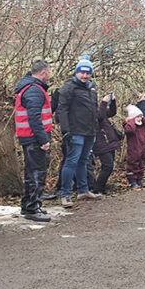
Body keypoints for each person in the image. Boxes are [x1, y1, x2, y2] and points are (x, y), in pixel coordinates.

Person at [57, 57, 103, 207]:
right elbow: (62, 109)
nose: (84, 76)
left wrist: (96, 128)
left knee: (83, 161)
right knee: (71, 161)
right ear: (77, 72)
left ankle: (83, 190)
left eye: (87, 73)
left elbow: (94, 109)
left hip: (90, 131)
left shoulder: (91, 87)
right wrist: (66, 131)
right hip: (75, 131)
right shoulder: (69, 87)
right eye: (82, 72)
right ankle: (65, 194)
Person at [13, 60, 54, 222]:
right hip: (33, 138)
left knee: (32, 172)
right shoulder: (34, 90)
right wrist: (43, 139)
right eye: (49, 72)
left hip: (30, 137)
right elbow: (34, 117)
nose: (49, 75)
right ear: (43, 73)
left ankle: (28, 205)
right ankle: (32, 207)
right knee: (36, 173)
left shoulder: (29, 87)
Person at [91, 94, 121, 195]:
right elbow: (99, 116)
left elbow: (112, 112)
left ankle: (100, 188)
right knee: (107, 166)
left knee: (108, 166)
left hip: (109, 142)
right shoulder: (92, 113)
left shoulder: (101, 111)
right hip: (101, 143)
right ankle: (97, 189)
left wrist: (112, 102)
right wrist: (103, 103)